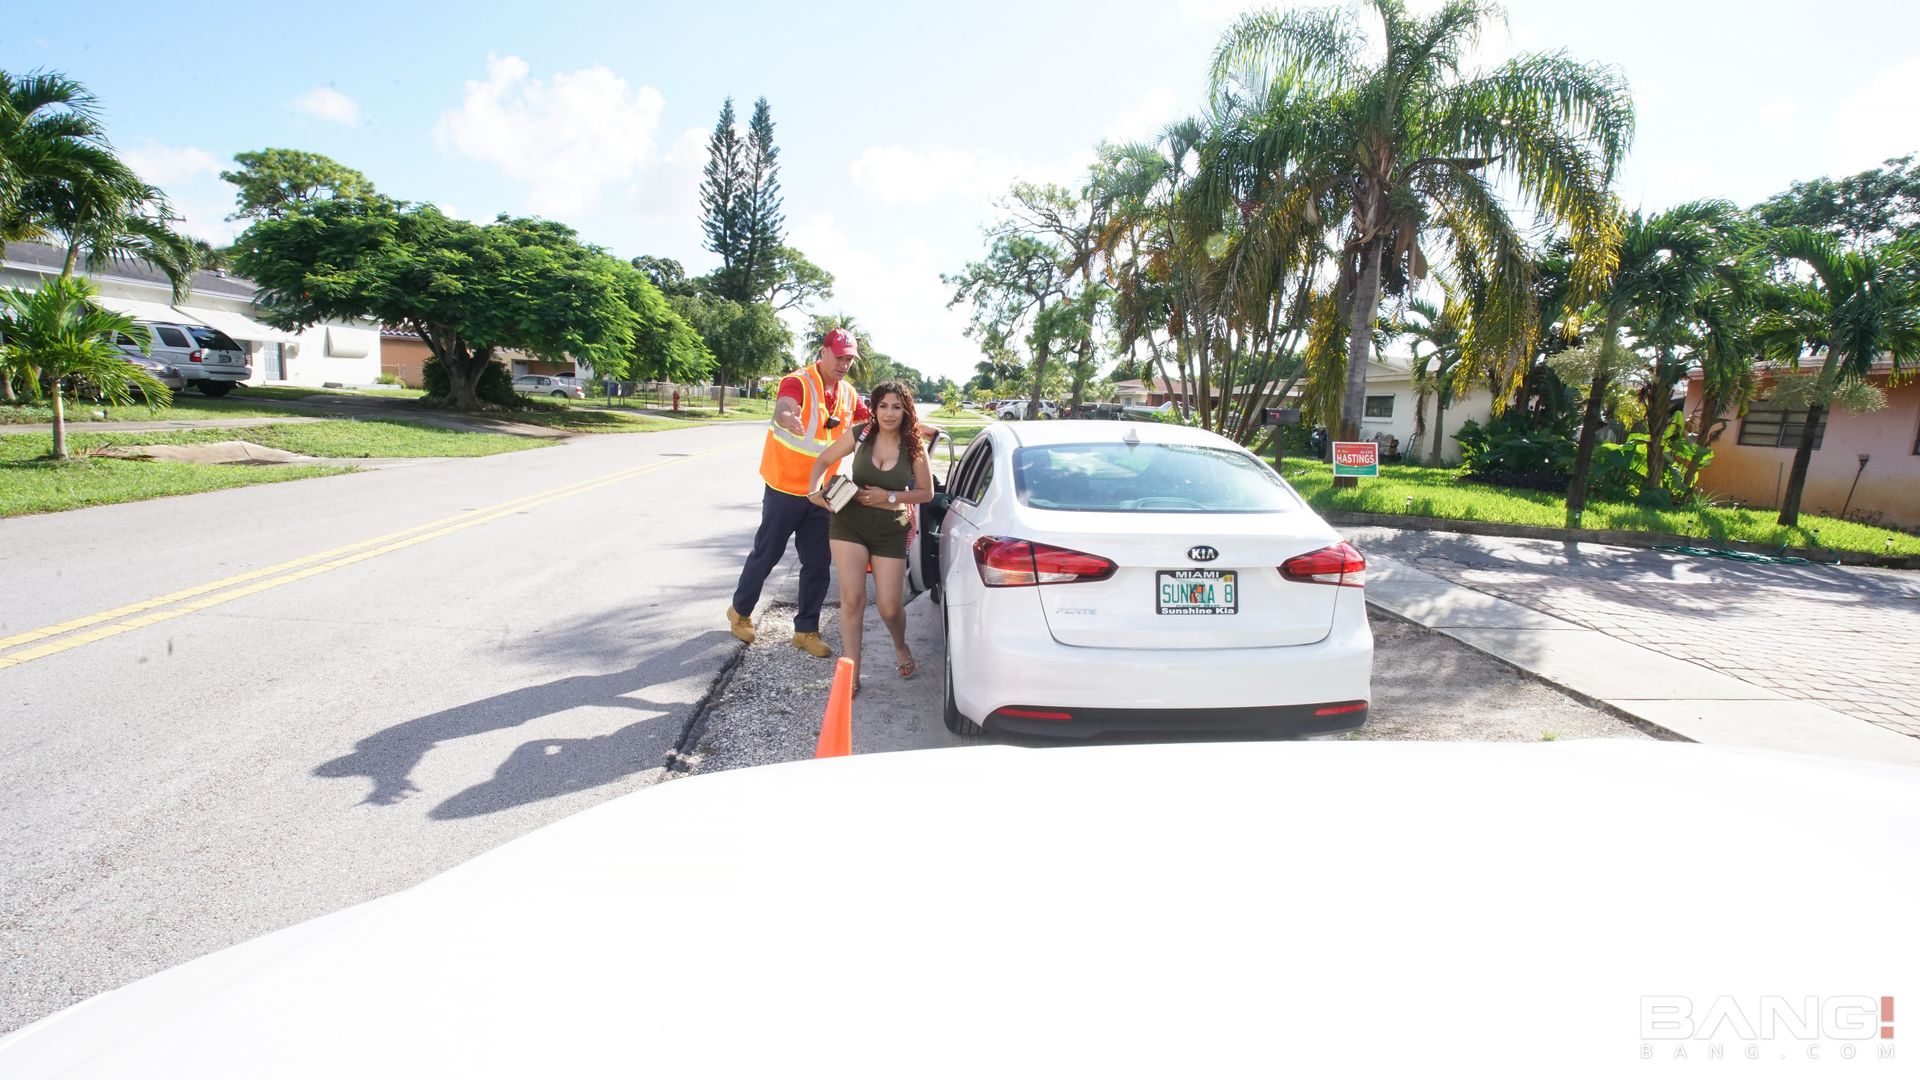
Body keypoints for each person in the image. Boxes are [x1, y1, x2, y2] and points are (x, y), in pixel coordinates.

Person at [725, 328, 870, 658]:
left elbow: (871, 419)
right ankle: (740, 612)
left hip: (821, 493)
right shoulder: (798, 382)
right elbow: (784, 406)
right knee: (767, 553)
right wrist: (788, 417)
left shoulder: (848, 394)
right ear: (823, 352)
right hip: (784, 488)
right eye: (839, 357)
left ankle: (806, 630)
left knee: (818, 563)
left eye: (849, 359)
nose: (844, 364)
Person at [805, 379, 933, 695]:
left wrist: (888, 496)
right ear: (874, 408)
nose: (889, 413)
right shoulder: (861, 433)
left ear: (906, 411)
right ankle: (851, 673)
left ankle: (900, 645)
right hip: (849, 523)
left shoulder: (914, 445)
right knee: (852, 600)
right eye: (883, 406)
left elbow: (926, 493)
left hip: (890, 529)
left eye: (896, 407)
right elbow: (822, 460)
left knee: (889, 607)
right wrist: (813, 492)